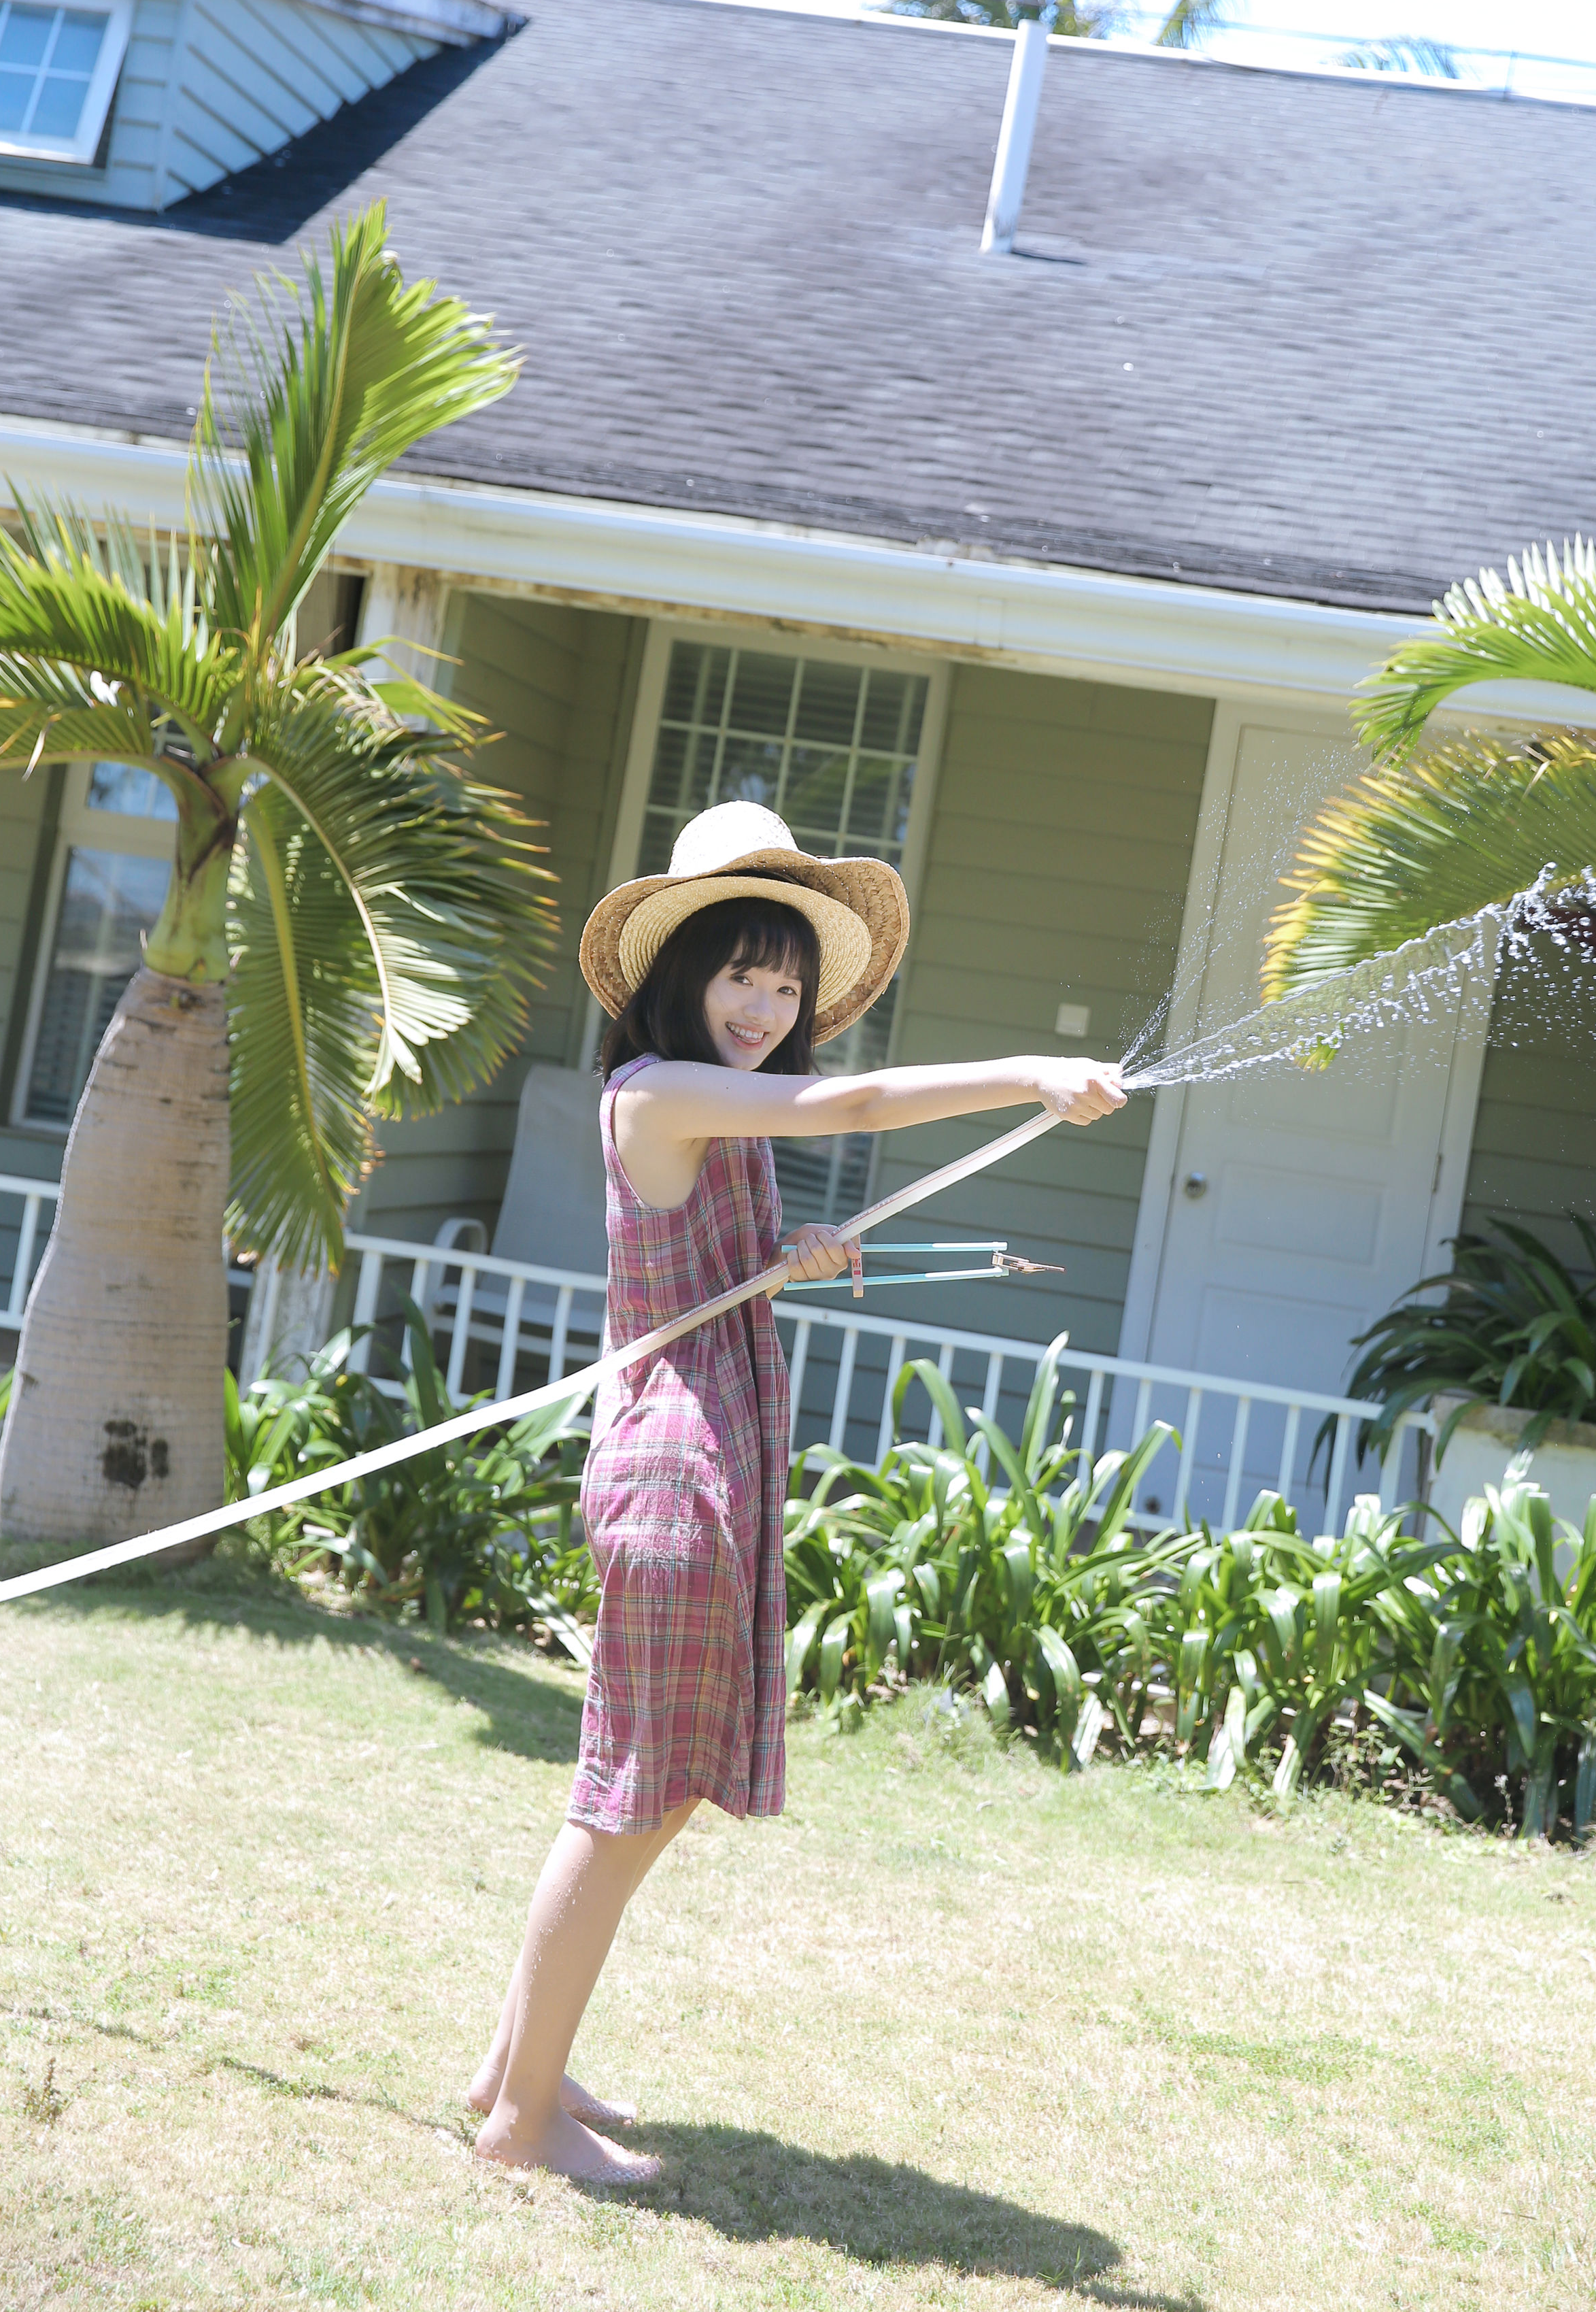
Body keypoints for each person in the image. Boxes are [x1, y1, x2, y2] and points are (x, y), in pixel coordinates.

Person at [469, 802, 1124, 2183]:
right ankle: (520, 2125)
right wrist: (1029, 1074)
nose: (766, 1006)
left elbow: (711, 1251)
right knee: (627, 1807)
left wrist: (793, 1247)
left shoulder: (715, 1105)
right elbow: (860, 1100)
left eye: (785, 983)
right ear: (677, 976)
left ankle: (517, 2067)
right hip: (676, 1477)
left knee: (633, 1803)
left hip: (713, 1463)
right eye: (739, 975)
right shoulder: (659, 1086)